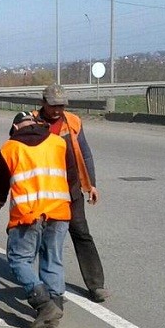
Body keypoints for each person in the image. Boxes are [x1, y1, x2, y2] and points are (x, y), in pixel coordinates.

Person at [0, 112, 77, 328]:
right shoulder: (58, 142)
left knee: (19, 259)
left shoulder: (10, 148)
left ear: (14, 127)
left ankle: (43, 304)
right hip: (59, 210)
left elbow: (2, 181)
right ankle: (55, 307)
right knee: (53, 259)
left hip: (28, 214)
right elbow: (72, 176)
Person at [32, 84, 110, 303]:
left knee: (81, 233)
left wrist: (91, 185)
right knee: (47, 239)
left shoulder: (73, 121)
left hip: (71, 188)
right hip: (45, 192)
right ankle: (52, 288)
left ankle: (96, 285)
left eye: (61, 105)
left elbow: (84, 153)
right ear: (43, 102)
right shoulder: (30, 122)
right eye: (53, 105)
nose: (57, 110)